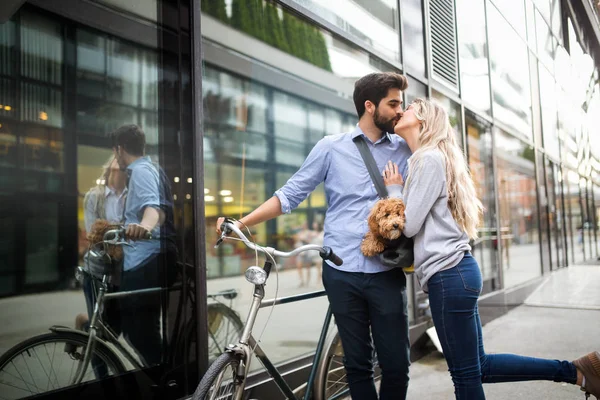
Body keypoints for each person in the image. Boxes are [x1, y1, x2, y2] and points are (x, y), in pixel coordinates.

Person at [383, 98, 600, 400]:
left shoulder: (427, 159)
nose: (401, 110)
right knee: (478, 367)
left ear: (422, 119)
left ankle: (576, 371)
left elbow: (409, 225)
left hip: (448, 276)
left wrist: (394, 188)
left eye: (409, 106)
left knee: (465, 375)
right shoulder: (433, 158)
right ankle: (577, 371)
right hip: (458, 273)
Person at [217, 72, 413, 400]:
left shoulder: (405, 151)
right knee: (356, 366)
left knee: (396, 365)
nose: (399, 111)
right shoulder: (331, 148)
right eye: (393, 103)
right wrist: (243, 222)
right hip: (340, 273)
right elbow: (291, 194)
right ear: (369, 106)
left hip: (386, 272)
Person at [112, 124, 177, 367]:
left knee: (140, 332)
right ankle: (163, 375)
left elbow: (154, 209)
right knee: (137, 329)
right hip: (146, 259)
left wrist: (145, 227)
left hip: (147, 259)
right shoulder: (147, 169)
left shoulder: (140, 171)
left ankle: (166, 379)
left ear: (119, 149)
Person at [77, 156, 127, 333]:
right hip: (96, 271)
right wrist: (123, 234)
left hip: (122, 273)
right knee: (97, 330)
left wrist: (112, 232)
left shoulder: (132, 196)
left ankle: (83, 324)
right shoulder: (94, 196)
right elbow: (95, 236)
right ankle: (87, 328)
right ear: (110, 167)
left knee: (115, 330)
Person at [294, 221, 315, 287]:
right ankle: (301, 281)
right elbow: (297, 241)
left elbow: (310, 241)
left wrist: (304, 239)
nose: (303, 226)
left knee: (308, 267)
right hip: (300, 252)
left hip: (307, 251)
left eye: (304, 225)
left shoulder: (309, 232)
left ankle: (307, 281)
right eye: (302, 225)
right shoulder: (299, 233)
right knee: (299, 266)